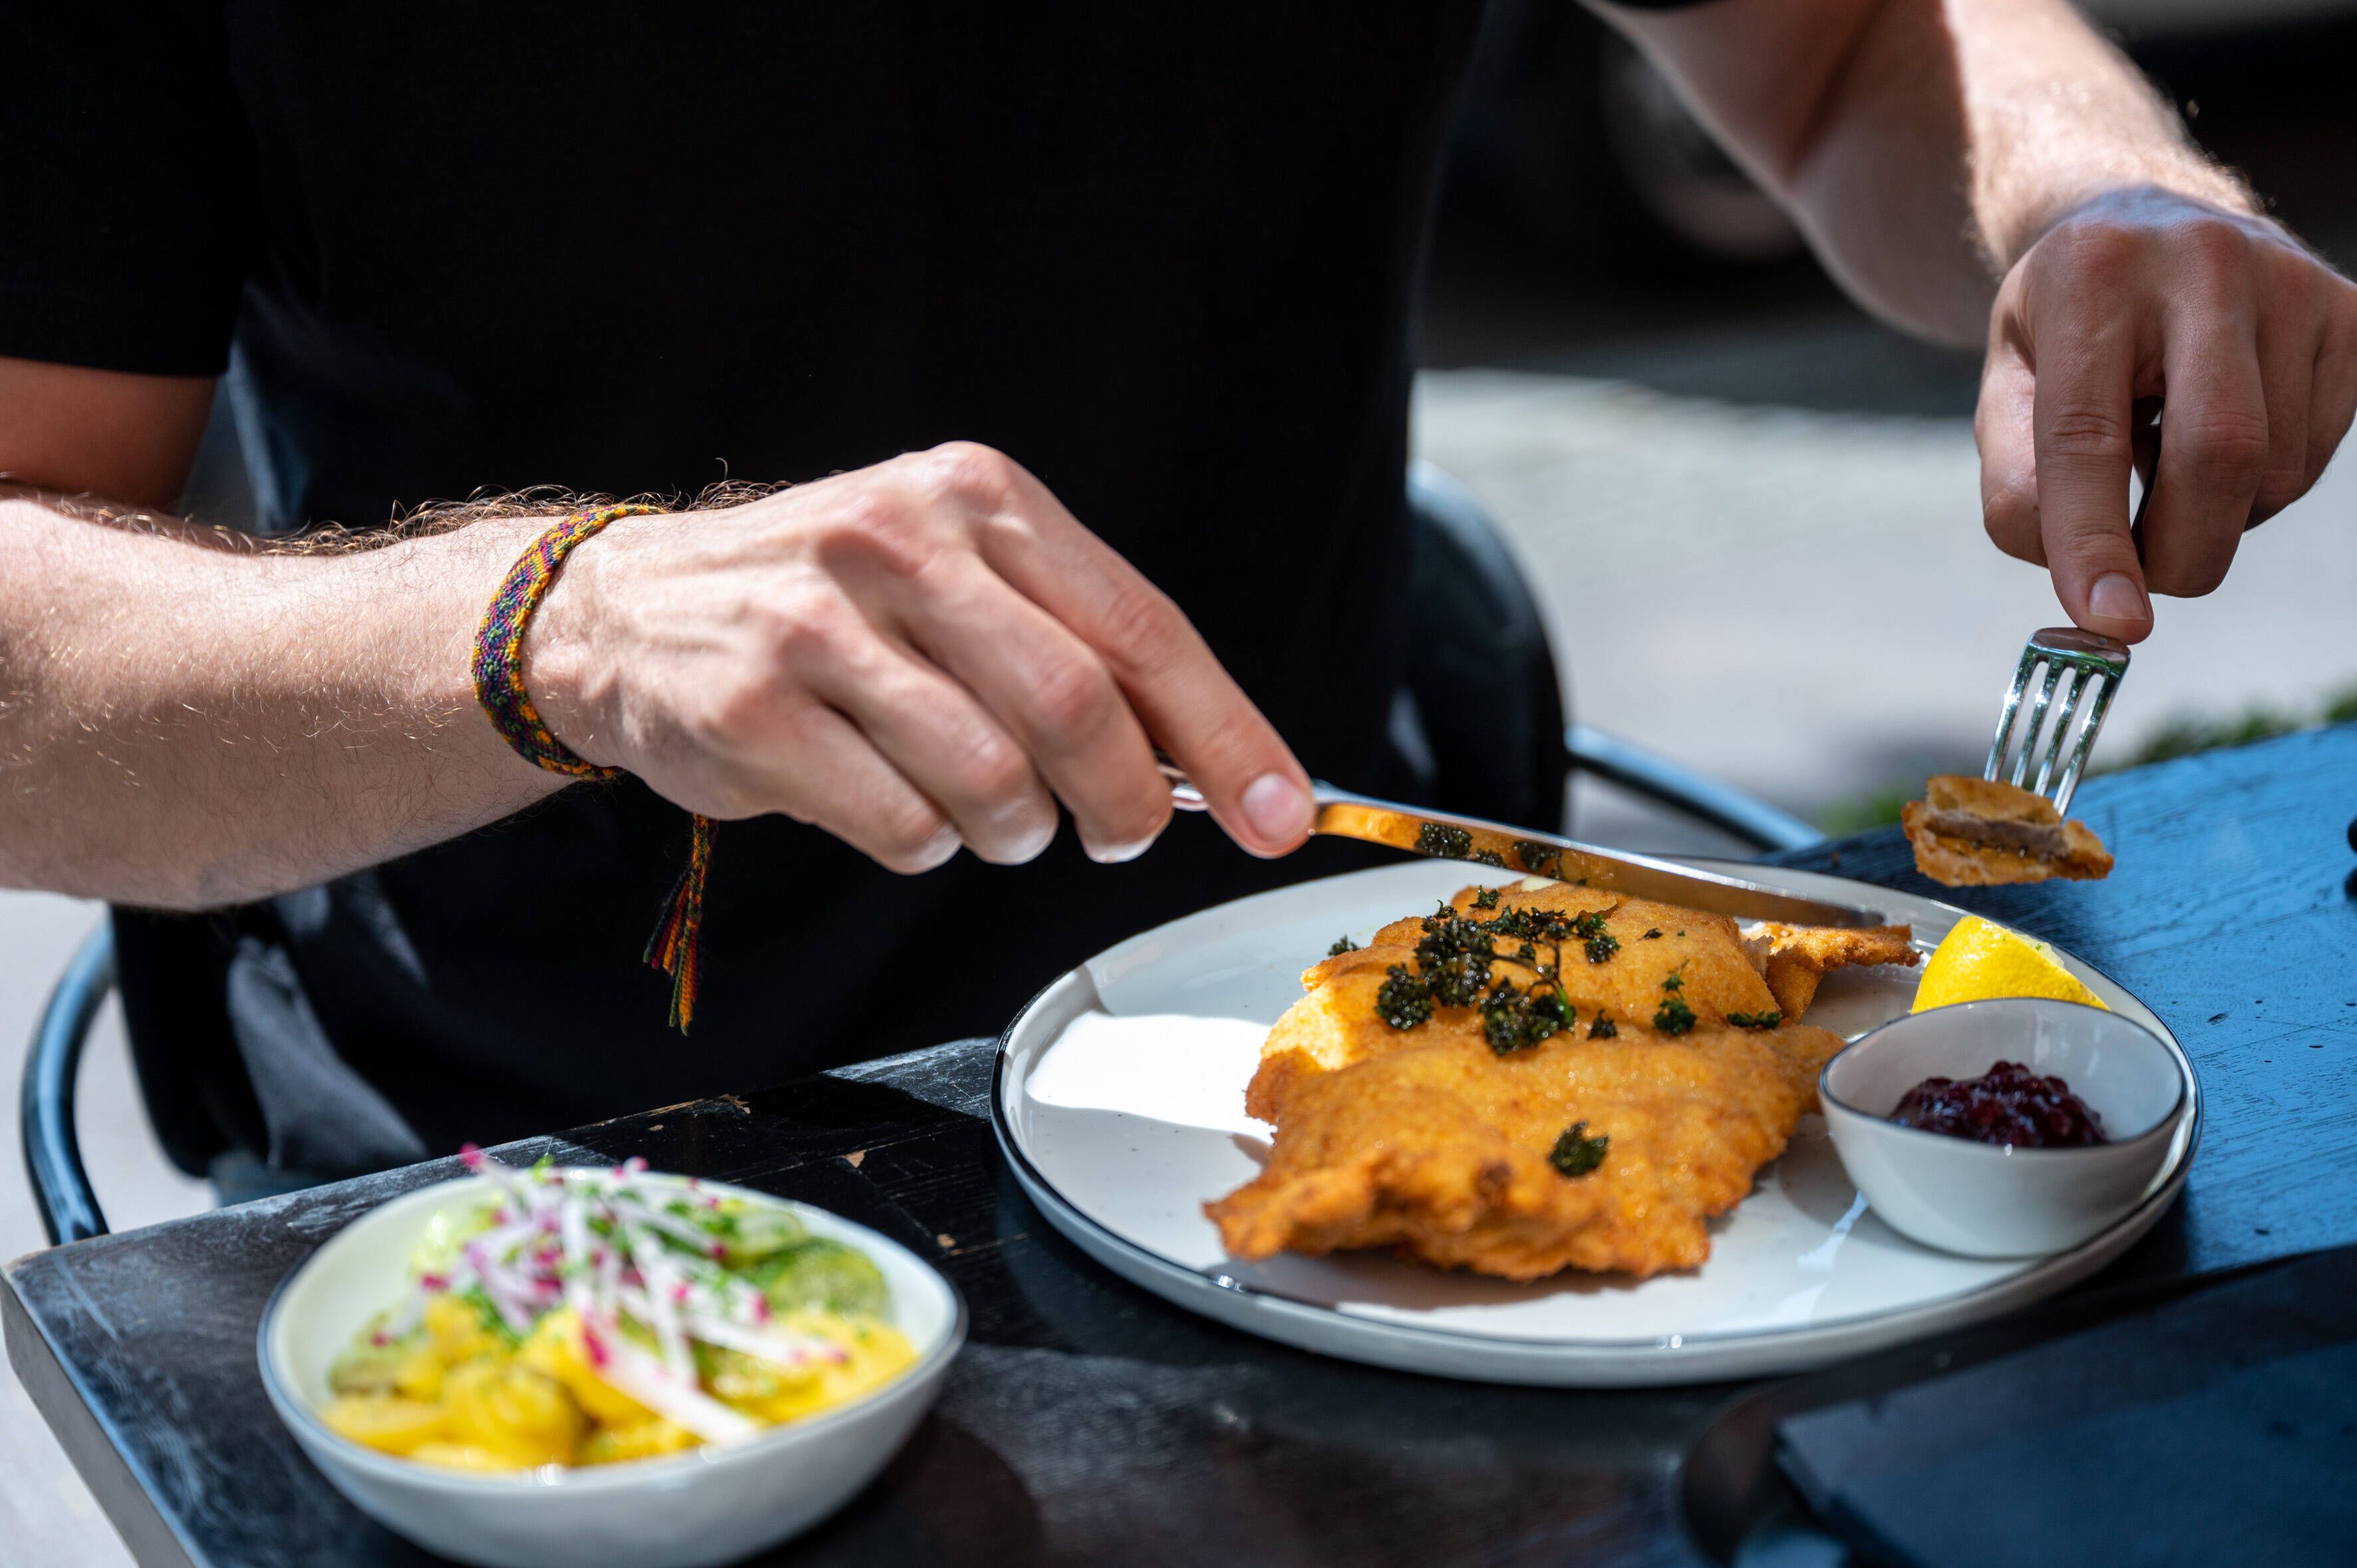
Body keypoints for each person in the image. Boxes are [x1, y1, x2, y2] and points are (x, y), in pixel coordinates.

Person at [3, 1, 2350, 1193]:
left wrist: (2092, 194)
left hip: (1338, 1049)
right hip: (547, 1136)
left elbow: (1841, 51)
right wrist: (561, 623)